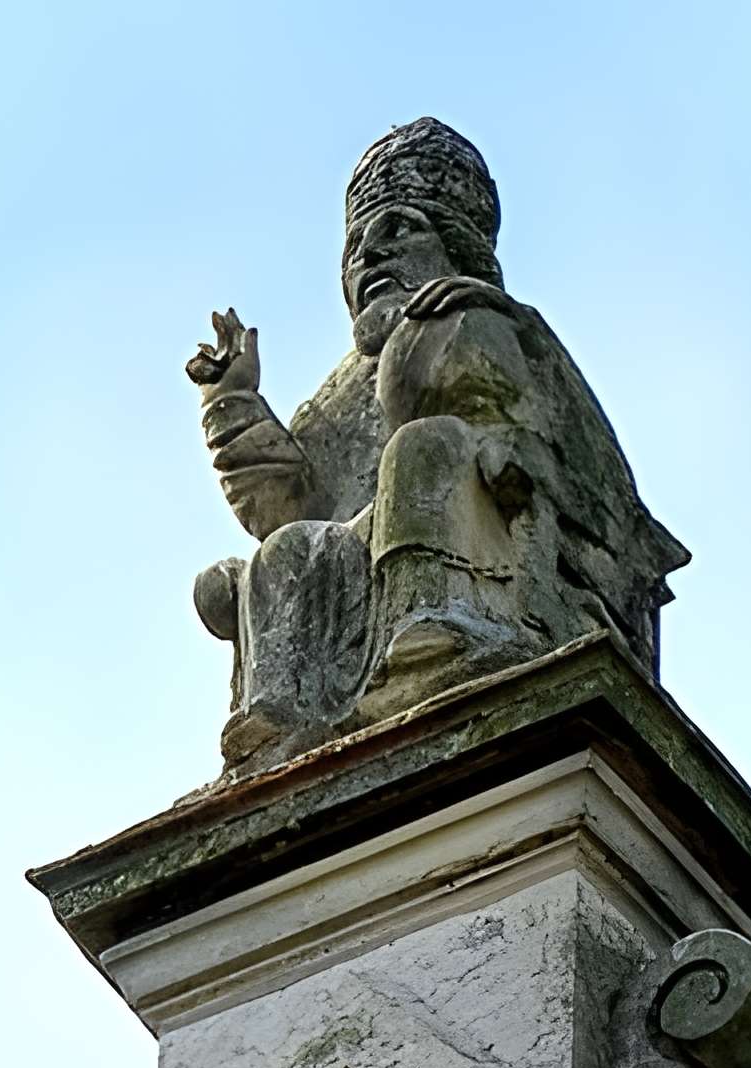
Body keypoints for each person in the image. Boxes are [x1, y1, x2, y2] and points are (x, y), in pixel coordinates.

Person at [188, 118, 688, 770]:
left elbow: (565, 463)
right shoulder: (344, 389)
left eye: (398, 229)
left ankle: (436, 632)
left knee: (424, 447)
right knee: (286, 548)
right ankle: (280, 718)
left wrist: (506, 443)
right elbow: (288, 505)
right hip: (359, 555)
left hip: (488, 535)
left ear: (454, 243)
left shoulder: (490, 321)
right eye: (356, 246)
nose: (370, 256)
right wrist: (231, 401)